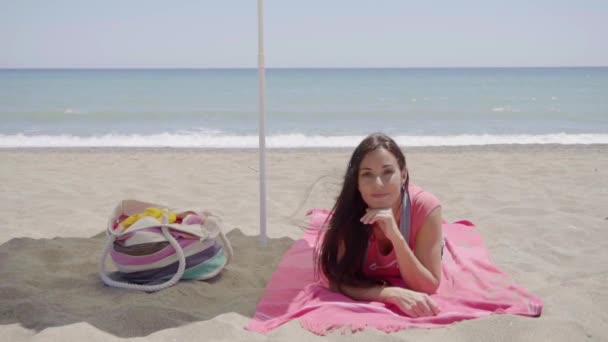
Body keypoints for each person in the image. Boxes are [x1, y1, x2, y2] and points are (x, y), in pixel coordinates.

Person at [315, 132, 443, 318]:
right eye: (367, 174)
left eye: (387, 172)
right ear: (357, 182)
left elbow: (428, 286)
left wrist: (396, 236)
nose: (378, 184)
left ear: (404, 175)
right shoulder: (348, 215)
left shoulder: (425, 208)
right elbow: (337, 280)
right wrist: (388, 294)